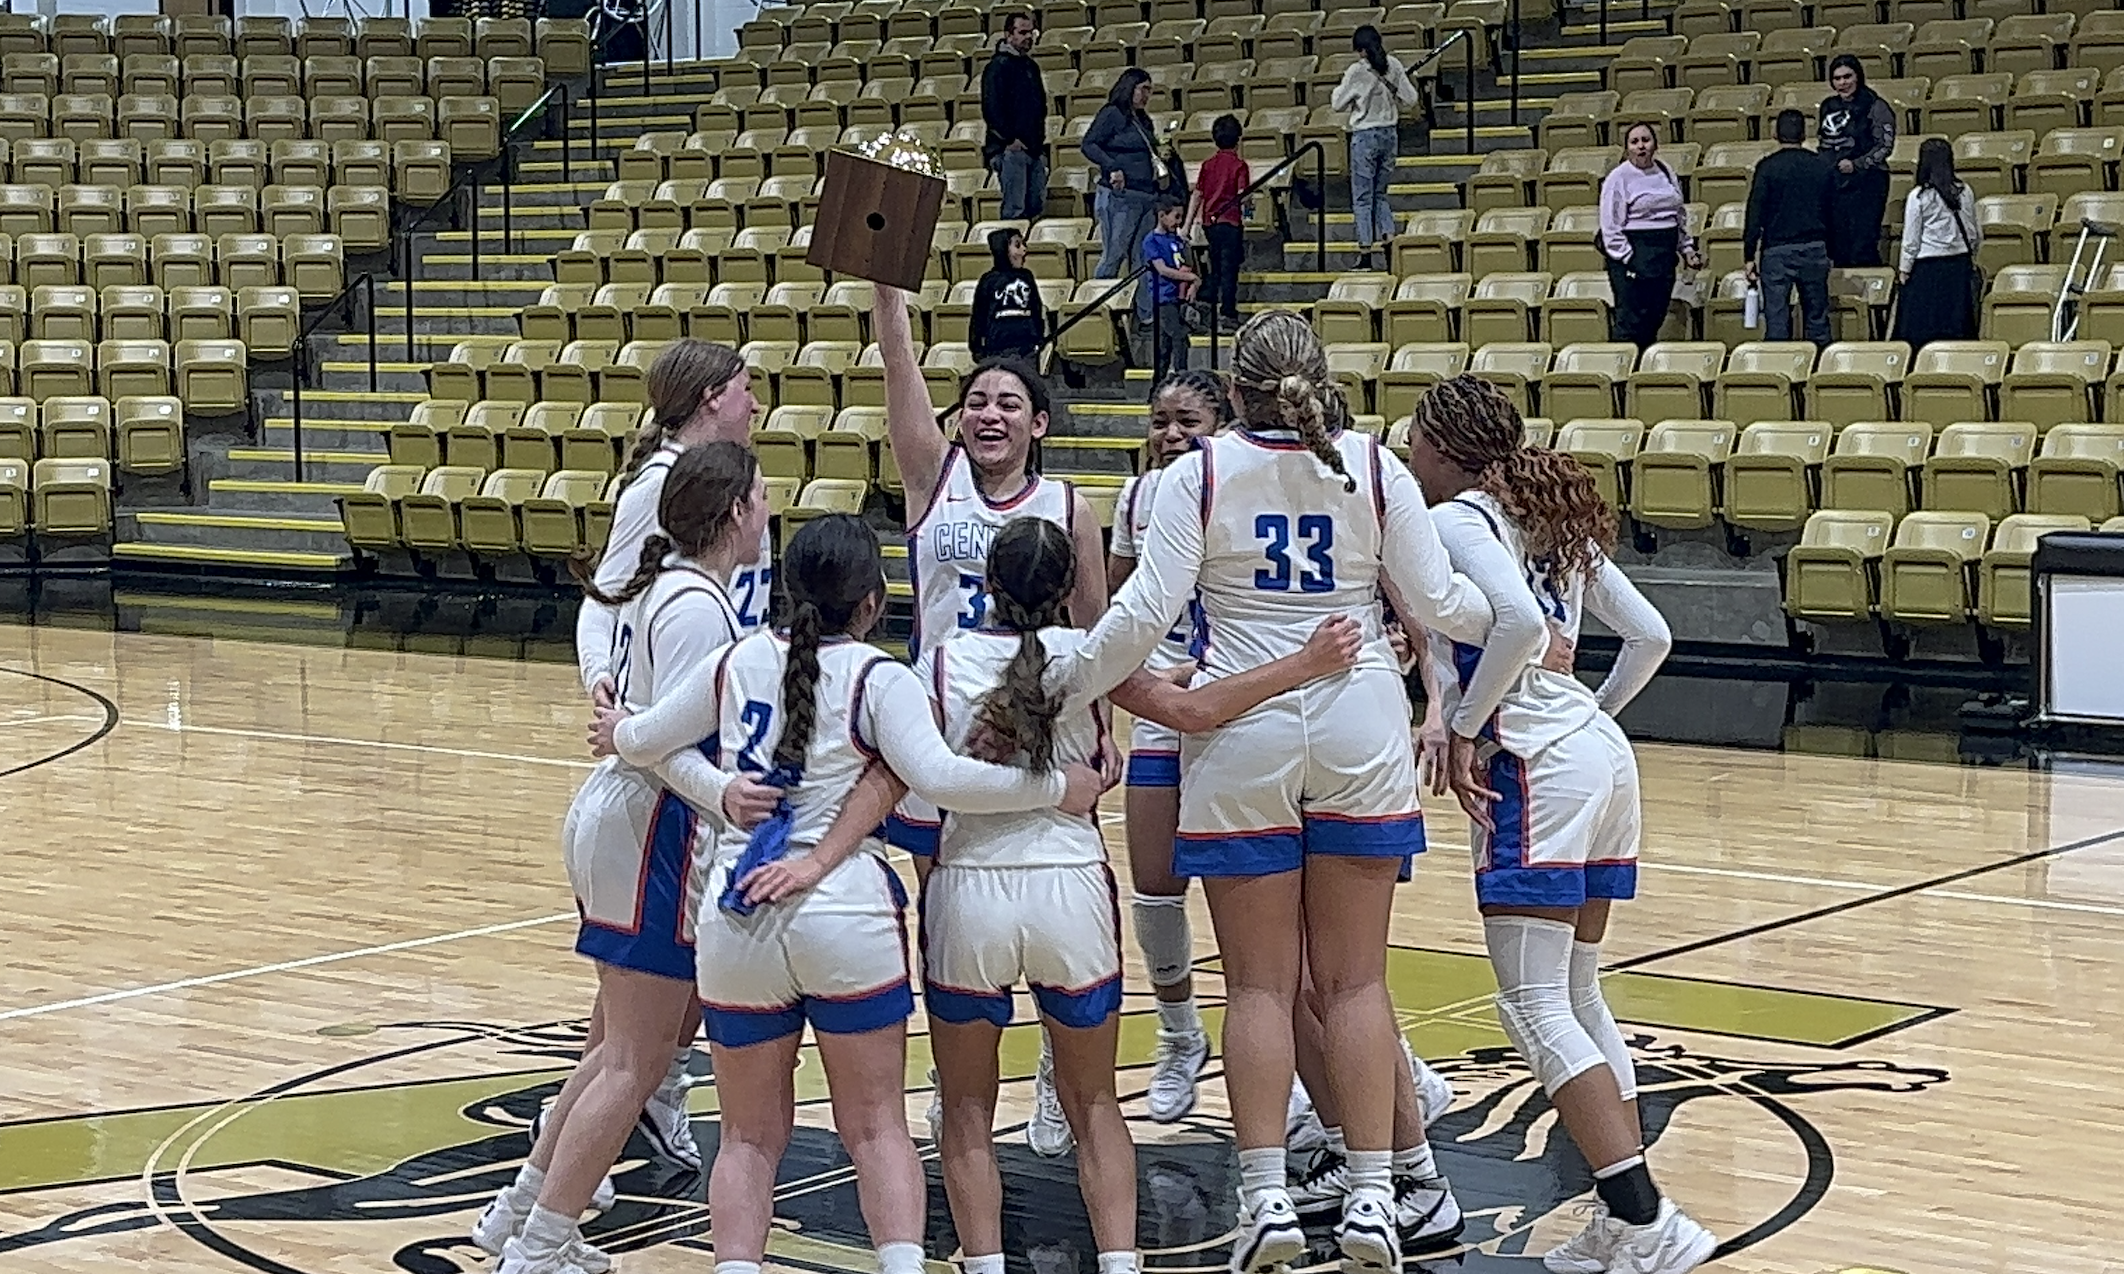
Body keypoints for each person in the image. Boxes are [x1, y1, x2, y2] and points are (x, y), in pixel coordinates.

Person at [1053, 310, 1494, 1274]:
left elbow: (1140, 618)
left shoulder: (1198, 473)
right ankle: (1376, 1196)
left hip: (1243, 725)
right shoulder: (1375, 466)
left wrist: (1065, 681)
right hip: (1359, 717)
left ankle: (1266, 1202)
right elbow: (1445, 606)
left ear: (1234, 392)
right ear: (1321, 379)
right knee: (1357, 980)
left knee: (1258, 983)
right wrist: (1512, 613)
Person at [590, 515, 1107, 1274]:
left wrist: (706, 781)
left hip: (740, 913)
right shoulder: (880, 676)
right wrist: (1059, 787)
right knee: (875, 1128)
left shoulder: (733, 661)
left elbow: (644, 744)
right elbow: (943, 779)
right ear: (872, 602)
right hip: (847, 910)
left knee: (745, 1138)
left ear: (785, 587)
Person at [924, 517, 1373, 1274]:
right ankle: (1120, 1265)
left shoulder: (938, 661)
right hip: (1069, 889)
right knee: (1095, 1104)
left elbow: (918, 775)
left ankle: (985, 1265)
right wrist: (1306, 661)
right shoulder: (1091, 656)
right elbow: (1194, 711)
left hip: (968, 886)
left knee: (967, 1111)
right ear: (1071, 587)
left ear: (987, 584)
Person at [1405, 375, 1707, 1274]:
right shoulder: (1546, 515)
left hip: (1539, 762)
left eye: (1414, 438)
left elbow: (1521, 626)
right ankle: (1626, 1218)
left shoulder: (1459, 518)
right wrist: (1589, 716)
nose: (1407, 452)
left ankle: (1646, 1218)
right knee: (1578, 993)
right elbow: (1650, 635)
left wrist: (1467, 729)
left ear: (1444, 448)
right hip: (1597, 754)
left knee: (1533, 1005)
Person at [476, 443, 768, 1274]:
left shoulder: (668, 585)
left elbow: (638, 732)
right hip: (653, 828)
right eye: (760, 497)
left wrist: (633, 735)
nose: (768, 511)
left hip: (622, 816)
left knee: (611, 1050)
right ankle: (541, 1246)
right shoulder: (699, 607)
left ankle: (520, 1213)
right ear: (734, 512)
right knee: (638, 1062)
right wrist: (726, 794)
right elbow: (657, 745)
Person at [874, 282, 1108, 1159]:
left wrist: (1104, 741)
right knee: (947, 907)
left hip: (1043, 731)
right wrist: (889, 296)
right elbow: (898, 366)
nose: (989, 413)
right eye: (976, 400)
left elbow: (1095, 633)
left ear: (1039, 424)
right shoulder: (933, 482)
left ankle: (1057, 1064)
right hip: (944, 731)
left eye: (1009, 402)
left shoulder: (1069, 509)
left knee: (1056, 902)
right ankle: (955, 1079)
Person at [562, 337, 770, 1188]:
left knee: (641, 1007)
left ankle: (566, 1162)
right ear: (714, 396)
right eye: (748, 388)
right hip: (662, 776)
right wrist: (607, 692)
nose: (757, 402)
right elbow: (602, 597)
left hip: (680, 747)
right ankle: (588, 1148)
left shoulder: (724, 496)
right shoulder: (663, 490)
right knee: (642, 1012)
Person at [1108, 370, 1225, 1124]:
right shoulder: (1135, 497)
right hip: (1161, 706)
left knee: (1248, 899)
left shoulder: (1240, 487)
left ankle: (1290, 1062)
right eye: (1160, 421)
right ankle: (1180, 1034)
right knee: (1153, 889)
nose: (1171, 434)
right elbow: (1113, 605)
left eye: (1188, 421)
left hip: (1237, 707)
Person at [1598, 123, 1701, 350]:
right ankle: (1625, 364)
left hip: (1664, 254)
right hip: (1634, 255)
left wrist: (1687, 248)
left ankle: (1645, 364)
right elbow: (1610, 225)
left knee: (1655, 316)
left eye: (1646, 140)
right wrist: (1629, 258)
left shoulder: (1665, 170)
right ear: (1627, 148)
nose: (1641, 146)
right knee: (1631, 321)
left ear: (1655, 145)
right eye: (1634, 142)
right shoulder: (1618, 177)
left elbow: (1678, 214)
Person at [1743, 108, 1835, 347]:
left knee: (1776, 321)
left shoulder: (1767, 167)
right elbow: (1834, 212)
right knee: (1817, 319)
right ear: (1804, 134)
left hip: (1776, 251)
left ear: (1775, 134)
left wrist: (1749, 254)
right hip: (1815, 248)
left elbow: (1755, 212)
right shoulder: (1821, 165)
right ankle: (1819, 364)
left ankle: (1779, 366)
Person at [1083, 67, 1166, 329]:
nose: (1147, 95)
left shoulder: (1144, 120)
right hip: (1120, 196)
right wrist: (1111, 166)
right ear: (1129, 87)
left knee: (1143, 259)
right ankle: (1096, 314)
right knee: (1114, 255)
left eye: (1150, 90)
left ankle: (1146, 315)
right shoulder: (1112, 114)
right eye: (1143, 89)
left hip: (1145, 195)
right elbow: (1089, 144)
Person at [1332, 25, 1417, 270]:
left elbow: (1337, 103)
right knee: (1380, 194)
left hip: (1365, 136)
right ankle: (1389, 239)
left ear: (1360, 50)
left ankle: (1366, 252)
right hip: (1389, 134)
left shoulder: (1357, 71)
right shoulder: (1394, 65)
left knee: (1362, 197)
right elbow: (1411, 99)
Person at [1893, 137, 1981, 351]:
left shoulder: (1919, 196)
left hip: (1927, 266)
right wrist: (1970, 253)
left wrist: (1904, 268)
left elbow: (1911, 238)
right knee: (1957, 322)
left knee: (1926, 325)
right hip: (1958, 263)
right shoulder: (1964, 191)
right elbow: (1973, 232)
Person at [1819, 54, 1895, 269]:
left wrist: (1857, 164)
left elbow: (1885, 146)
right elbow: (1824, 142)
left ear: (1858, 76)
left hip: (1868, 181)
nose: (1842, 83)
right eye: (1837, 78)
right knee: (1837, 244)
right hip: (1835, 183)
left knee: (1863, 243)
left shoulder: (1876, 105)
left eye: (1847, 77)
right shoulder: (1828, 106)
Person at [981, 11, 1047, 222]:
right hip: (1010, 150)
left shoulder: (1031, 67)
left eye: (1031, 32)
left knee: (1035, 207)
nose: (1028, 37)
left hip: (1033, 149)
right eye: (1022, 32)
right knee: (1014, 209)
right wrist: (1010, 140)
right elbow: (992, 109)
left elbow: (1040, 107)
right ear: (1009, 35)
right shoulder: (997, 67)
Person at [1188, 114, 1249, 326]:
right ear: (1238, 139)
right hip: (1230, 222)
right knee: (1230, 268)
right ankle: (1228, 312)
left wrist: (1187, 225)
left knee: (1216, 264)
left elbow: (1198, 194)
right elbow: (1242, 194)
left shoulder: (1208, 165)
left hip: (1210, 223)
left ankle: (1209, 300)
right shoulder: (1239, 165)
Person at [1143, 195, 1196, 378]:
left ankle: (1158, 384)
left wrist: (1192, 283)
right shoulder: (1151, 240)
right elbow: (1162, 269)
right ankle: (1182, 378)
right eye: (1176, 217)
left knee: (1164, 347)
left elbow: (1186, 264)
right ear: (1162, 216)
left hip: (1178, 297)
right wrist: (1190, 277)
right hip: (1163, 298)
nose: (1179, 222)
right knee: (1179, 337)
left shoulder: (1177, 240)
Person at [970, 227, 1043, 361]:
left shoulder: (1027, 277)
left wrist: (1038, 339)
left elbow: (1036, 309)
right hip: (996, 350)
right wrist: (977, 348)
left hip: (1026, 350)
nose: (1024, 250)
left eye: (1023, 244)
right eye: (1017, 245)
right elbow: (979, 316)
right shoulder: (989, 280)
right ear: (1002, 249)